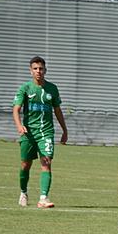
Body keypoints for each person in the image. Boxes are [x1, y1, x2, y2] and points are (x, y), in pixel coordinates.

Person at [12, 56, 68, 208]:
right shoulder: (25, 88)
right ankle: (23, 192)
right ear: (31, 71)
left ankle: (43, 198)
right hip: (28, 133)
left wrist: (64, 130)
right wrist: (19, 125)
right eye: (35, 68)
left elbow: (57, 110)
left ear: (45, 70)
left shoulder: (52, 89)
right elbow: (16, 109)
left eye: (41, 68)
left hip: (46, 132)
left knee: (46, 162)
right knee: (25, 164)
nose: (38, 71)